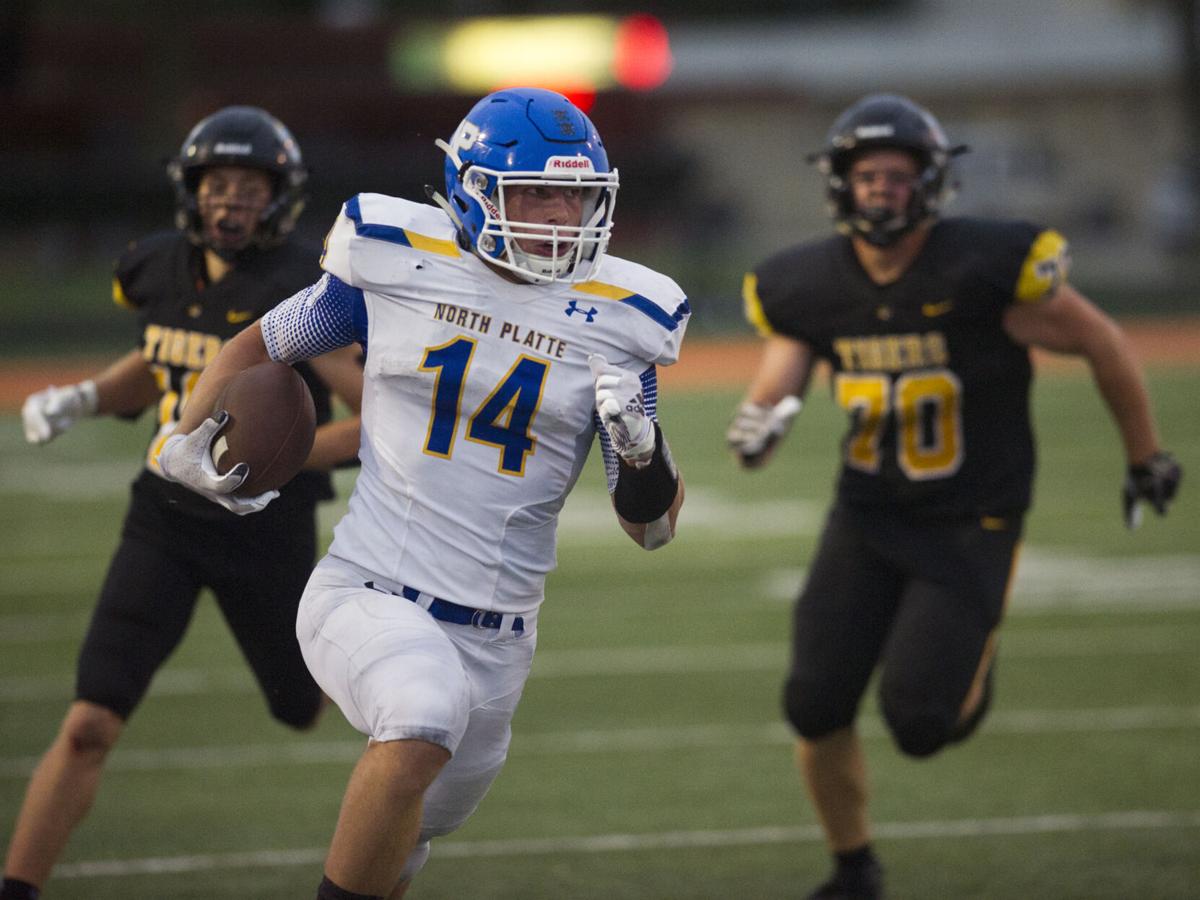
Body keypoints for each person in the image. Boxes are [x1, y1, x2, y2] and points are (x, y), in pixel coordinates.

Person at [154, 87, 689, 899]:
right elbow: (259, 347)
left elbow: (650, 530)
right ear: (474, 191)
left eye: (575, 195)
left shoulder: (622, 322)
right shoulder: (393, 263)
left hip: (500, 640)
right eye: (535, 192)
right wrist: (182, 442)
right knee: (419, 719)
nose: (559, 214)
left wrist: (641, 452)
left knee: (402, 851)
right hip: (369, 589)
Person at [726, 93, 1182, 900]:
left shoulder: (983, 268)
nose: (882, 190)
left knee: (923, 726)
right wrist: (759, 426)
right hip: (865, 516)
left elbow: (1101, 340)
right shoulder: (807, 285)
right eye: (868, 175)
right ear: (840, 183)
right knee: (813, 703)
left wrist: (1145, 455)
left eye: (900, 176)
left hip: (971, 520)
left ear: (932, 184)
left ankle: (974, 654)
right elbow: (778, 383)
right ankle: (853, 867)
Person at [2, 106, 364, 900]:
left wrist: (269, 459)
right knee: (90, 720)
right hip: (163, 519)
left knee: (300, 706)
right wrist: (86, 397)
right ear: (191, 193)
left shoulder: (307, 289)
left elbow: (380, 420)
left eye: (248, 187)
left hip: (263, 528)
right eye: (217, 185)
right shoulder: (159, 267)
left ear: (281, 198)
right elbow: (166, 349)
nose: (230, 202)